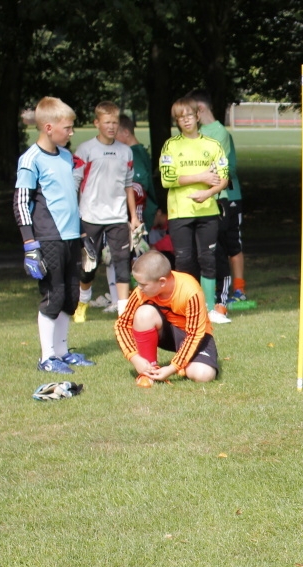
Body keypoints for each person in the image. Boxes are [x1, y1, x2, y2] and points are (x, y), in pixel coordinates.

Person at [14, 96, 96, 374]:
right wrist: (29, 244)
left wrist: (83, 235)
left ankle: (62, 352)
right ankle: (47, 357)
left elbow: (69, 198)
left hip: (71, 237)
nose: (71, 132)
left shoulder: (64, 156)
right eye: (67, 128)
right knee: (53, 295)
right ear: (48, 127)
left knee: (71, 296)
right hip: (47, 238)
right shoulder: (31, 159)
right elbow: (21, 203)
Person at [157, 96, 230, 324]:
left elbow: (223, 179)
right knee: (184, 260)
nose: (186, 121)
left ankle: (208, 309)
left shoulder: (213, 145)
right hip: (180, 213)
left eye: (189, 116)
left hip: (207, 211)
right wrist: (200, 177)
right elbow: (167, 178)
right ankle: (185, 307)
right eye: (180, 118)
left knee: (207, 258)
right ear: (177, 122)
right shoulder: (171, 145)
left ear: (197, 116)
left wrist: (207, 193)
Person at [72, 101, 138, 320]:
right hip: (91, 216)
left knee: (121, 262)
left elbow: (129, 186)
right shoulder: (86, 150)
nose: (112, 126)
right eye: (107, 122)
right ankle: (82, 302)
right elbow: (74, 184)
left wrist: (134, 217)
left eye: (115, 122)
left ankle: (123, 310)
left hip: (118, 217)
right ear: (97, 123)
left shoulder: (126, 152)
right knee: (88, 267)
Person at [114, 250, 219, 386]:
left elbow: (194, 335)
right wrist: (134, 357)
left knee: (204, 375)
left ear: (162, 281)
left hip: (194, 336)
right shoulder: (141, 291)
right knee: (143, 314)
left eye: (143, 284)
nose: (139, 288)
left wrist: (172, 368)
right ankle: (148, 372)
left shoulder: (191, 291)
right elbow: (122, 325)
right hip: (167, 332)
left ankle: (184, 365)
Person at [191, 90, 249, 306]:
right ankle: (212, 290)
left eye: (191, 112)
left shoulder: (219, 133)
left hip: (228, 196)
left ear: (200, 110)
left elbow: (227, 169)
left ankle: (239, 289)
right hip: (208, 198)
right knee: (211, 246)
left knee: (232, 243)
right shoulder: (196, 133)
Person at [116, 114, 162, 232]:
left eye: (115, 134)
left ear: (126, 132)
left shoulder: (134, 154)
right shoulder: (141, 151)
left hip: (139, 216)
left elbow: (138, 186)